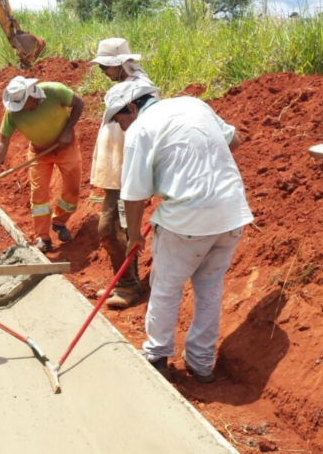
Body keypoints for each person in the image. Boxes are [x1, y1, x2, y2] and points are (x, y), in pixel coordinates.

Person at [107, 83, 252, 383]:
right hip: (231, 212)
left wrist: (134, 235)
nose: (122, 127)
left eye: (120, 120)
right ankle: (200, 364)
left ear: (131, 108)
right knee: (209, 288)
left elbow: (132, 195)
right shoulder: (193, 105)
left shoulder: (140, 129)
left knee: (166, 286)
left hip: (188, 220)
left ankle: (157, 354)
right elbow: (233, 141)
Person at [89, 38, 158, 308]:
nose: (102, 72)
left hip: (127, 174)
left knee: (111, 229)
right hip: (116, 173)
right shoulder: (124, 87)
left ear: (120, 64)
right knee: (119, 229)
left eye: (105, 66)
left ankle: (128, 285)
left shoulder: (138, 90)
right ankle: (125, 281)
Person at [0, 76, 84, 252]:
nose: (20, 109)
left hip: (66, 149)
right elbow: (3, 141)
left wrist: (67, 131)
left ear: (30, 95)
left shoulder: (55, 91)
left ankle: (59, 223)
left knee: (72, 190)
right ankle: (42, 237)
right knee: (39, 196)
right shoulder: (13, 114)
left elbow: (79, 104)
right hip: (39, 154)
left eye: (22, 104)